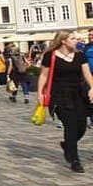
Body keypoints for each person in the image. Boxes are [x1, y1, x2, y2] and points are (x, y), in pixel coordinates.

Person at [37, 31, 93, 173]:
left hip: (78, 94)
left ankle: (68, 145)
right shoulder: (51, 56)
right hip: (59, 95)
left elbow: (87, 74)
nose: (77, 41)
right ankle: (75, 160)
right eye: (73, 38)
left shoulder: (80, 55)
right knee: (71, 126)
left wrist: (92, 87)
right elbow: (44, 75)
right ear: (63, 41)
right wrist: (39, 92)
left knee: (81, 126)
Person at [83, 29, 93, 129]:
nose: (90, 36)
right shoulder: (86, 47)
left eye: (92, 35)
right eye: (89, 35)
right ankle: (89, 118)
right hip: (88, 75)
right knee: (88, 97)